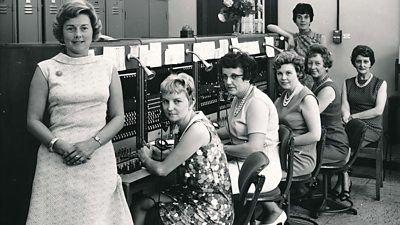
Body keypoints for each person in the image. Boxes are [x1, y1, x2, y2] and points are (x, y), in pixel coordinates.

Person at [25, 1, 133, 224]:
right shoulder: (45, 69)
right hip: (56, 161)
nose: (78, 35)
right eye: (70, 28)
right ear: (61, 33)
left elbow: (119, 117)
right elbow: (32, 120)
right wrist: (58, 144)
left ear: (94, 31)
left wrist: (92, 144)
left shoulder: (107, 67)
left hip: (97, 159)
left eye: (84, 28)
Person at [134, 73, 234, 225]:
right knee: (143, 203)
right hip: (193, 195)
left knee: (150, 213)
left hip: (211, 210)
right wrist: (157, 152)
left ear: (192, 101)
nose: (170, 108)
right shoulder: (187, 124)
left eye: (177, 101)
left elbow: (162, 170)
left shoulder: (197, 129)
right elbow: (183, 154)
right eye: (165, 102)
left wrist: (145, 158)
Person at [217, 52, 286, 225]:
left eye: (234, 76)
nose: (228, 82)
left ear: (247, 76)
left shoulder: (256, 103)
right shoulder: (239, 97)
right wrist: (207, 132)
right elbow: (233, 129)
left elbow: (253, 148)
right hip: (246, 164)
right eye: (225, 76)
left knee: (215, 181)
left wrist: (219, 148)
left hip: (262, 168)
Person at [341, 45, 387, 199]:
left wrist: (353, 117)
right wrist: (347, 116)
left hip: (371, 127)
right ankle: (344, 178)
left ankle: (344, 183)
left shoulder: (380, 83)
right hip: (350, 125)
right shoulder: (347, 83)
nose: (362, 65)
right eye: (358, 61)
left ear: (371, 63)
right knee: (337, 137)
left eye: (365, 61)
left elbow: (378, 110)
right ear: (354, 63)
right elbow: (344, 106)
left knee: (344, 142)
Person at [305, 44, 350, 200]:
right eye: (310, 63)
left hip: (334, 144)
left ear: (326, 65)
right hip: (325, 141)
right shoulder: (316, 84)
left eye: (317, 63)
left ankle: (300, 192)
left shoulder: (327, 89)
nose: (312, 67)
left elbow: (311, 116)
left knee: (297, 155)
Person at [273, 51, 321, 179]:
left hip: (299, 158)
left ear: (298, 73)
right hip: (282, 152)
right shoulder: (282, 97)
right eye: (279, 73)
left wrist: (285, 143)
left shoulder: (307, 98)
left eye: (288, 73)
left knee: (263, 175)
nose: (283, 77)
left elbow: (315, 135)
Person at [267, 3, 327, 89]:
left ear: (311, 19)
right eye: (299, 17)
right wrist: (289, 36)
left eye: (306, 17)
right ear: (295, 20)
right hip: (298, 81)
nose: (303, 20)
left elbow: (324, 63)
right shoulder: (294, 37)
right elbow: (270, 26)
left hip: (316, 80)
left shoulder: (320, 38)